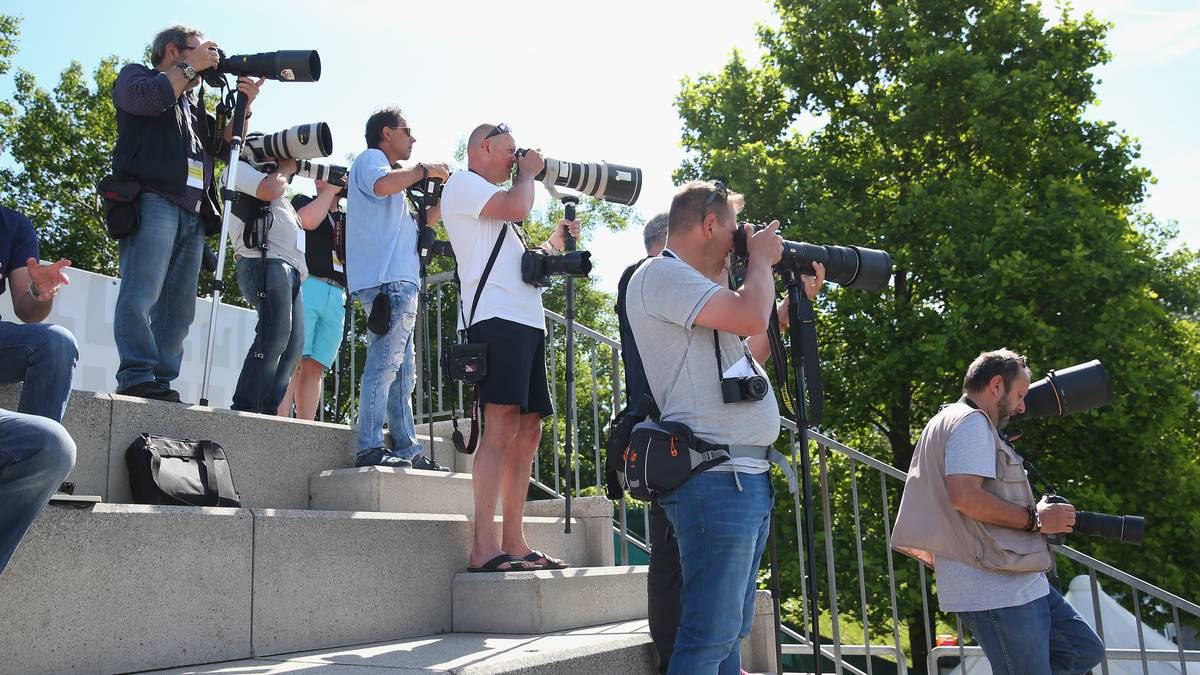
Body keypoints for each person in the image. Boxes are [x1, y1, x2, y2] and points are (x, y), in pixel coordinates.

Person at [617, 210, 822, 674]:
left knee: (728, 635)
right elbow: (750, 316)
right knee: (707, 639)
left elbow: (743, 365)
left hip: (741, 476)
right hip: (713, 479)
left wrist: (784, 313)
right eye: (735, 230)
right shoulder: (660, 273)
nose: (741, 240)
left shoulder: (704, 298)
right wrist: (763, 263)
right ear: (709, 224)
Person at [891, 349, 1106, 675]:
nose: (1022, 406)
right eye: (1019, 394)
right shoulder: (971, 425)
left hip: (1015, 578)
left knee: (1082, 648)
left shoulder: (950, 419)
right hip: (995, 587)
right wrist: (1037, 520)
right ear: (995, 385)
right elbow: (964, 496)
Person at [440, 122, 578, 573]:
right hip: (495, 321)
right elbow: (517, 207)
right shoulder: (463, 184)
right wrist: (530, 174)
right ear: (483, 148)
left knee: (529, 430)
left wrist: (553, 244)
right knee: (499, 428)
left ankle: (513, 540)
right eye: (510, 152)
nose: (517, 159)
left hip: (525, 322)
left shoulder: (495, 208)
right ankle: (483, 546)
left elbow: (514, 260)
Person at [110, 24, 262, 402]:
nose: (210, 60)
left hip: (192, 212)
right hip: (152, 200)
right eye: (200, 50)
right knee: (141, 292)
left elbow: (224, 146)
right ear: (173, 51)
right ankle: (136, 375)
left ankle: (160, 380)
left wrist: (246, 105)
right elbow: (144, 101)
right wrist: (192, 68)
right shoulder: (138, 77)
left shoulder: (193, 106)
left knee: (178, 309)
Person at [347, 107, 449, 470]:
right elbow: (381, 184)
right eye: (408, 131)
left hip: (396, 281)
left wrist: (446, 195)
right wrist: (424, 170)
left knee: (403, 373)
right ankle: (369, 448)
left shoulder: (395, 184)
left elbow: (419, 223)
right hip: (389, 283)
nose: (413, 138)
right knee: (385, 368)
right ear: (386, 133)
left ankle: (406, 448)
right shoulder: (373, 160)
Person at [0, 206, 78, 575]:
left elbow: (28, 310)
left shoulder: (12, 223)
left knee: (57, 341)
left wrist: (40, 290)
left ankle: (35, 476)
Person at [226, 153, 318, 414]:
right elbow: (269, 189)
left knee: (294, 346)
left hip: (291, 272)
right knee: (275, 334)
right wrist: (286, 170)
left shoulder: (280, 191)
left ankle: (267, 409)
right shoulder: (238, 168)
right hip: (263, 262)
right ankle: (246, 405)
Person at [277, 181, 347, 419]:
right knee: (293, 357)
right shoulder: (303, 201)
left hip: (337, 293)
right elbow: (306, 221)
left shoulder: (344, 218)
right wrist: (329, 192)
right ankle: (280, 421)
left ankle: (306, 427)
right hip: (309, 284)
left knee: (316, 364)